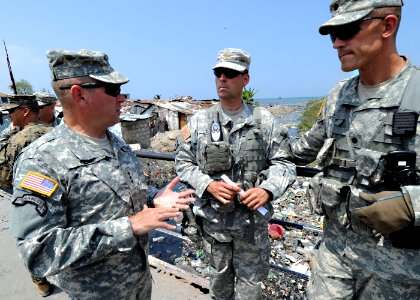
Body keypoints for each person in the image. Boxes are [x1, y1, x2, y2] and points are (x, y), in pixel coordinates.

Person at [8, 49, 195, 299]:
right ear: (79, 94)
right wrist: (128, 227)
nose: (123, 99)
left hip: (138, 287)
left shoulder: (117, 145)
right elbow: (39, 252)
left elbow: (124, 192)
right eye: (113, 90)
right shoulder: (41, 160)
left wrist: (152, 197)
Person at [286, 1, 420, 299]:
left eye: (347, 30)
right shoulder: (339, 95)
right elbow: (302, 150)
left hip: (399, 273)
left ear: (387, 25)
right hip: (334, 260)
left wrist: (411, 204)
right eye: (332, 34)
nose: (337, 43)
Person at [175, 48, 295, 300]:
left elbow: (284, 163)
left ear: (245, 79)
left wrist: (267, 189)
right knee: (218, 287)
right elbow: (183, 163)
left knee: (250, 290)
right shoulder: (199, 122)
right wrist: (207, 185)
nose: (222, 78)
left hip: (252, 227)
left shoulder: (264, 122)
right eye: (218, 73)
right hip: (214, 225)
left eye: (230, 73)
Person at [0, 95, 52, 190]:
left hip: (29, 196)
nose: (9, 115)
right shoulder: (55, 132)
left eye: (12, 111)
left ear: (25, 111)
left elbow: (5, 179)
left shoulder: (18, 140)